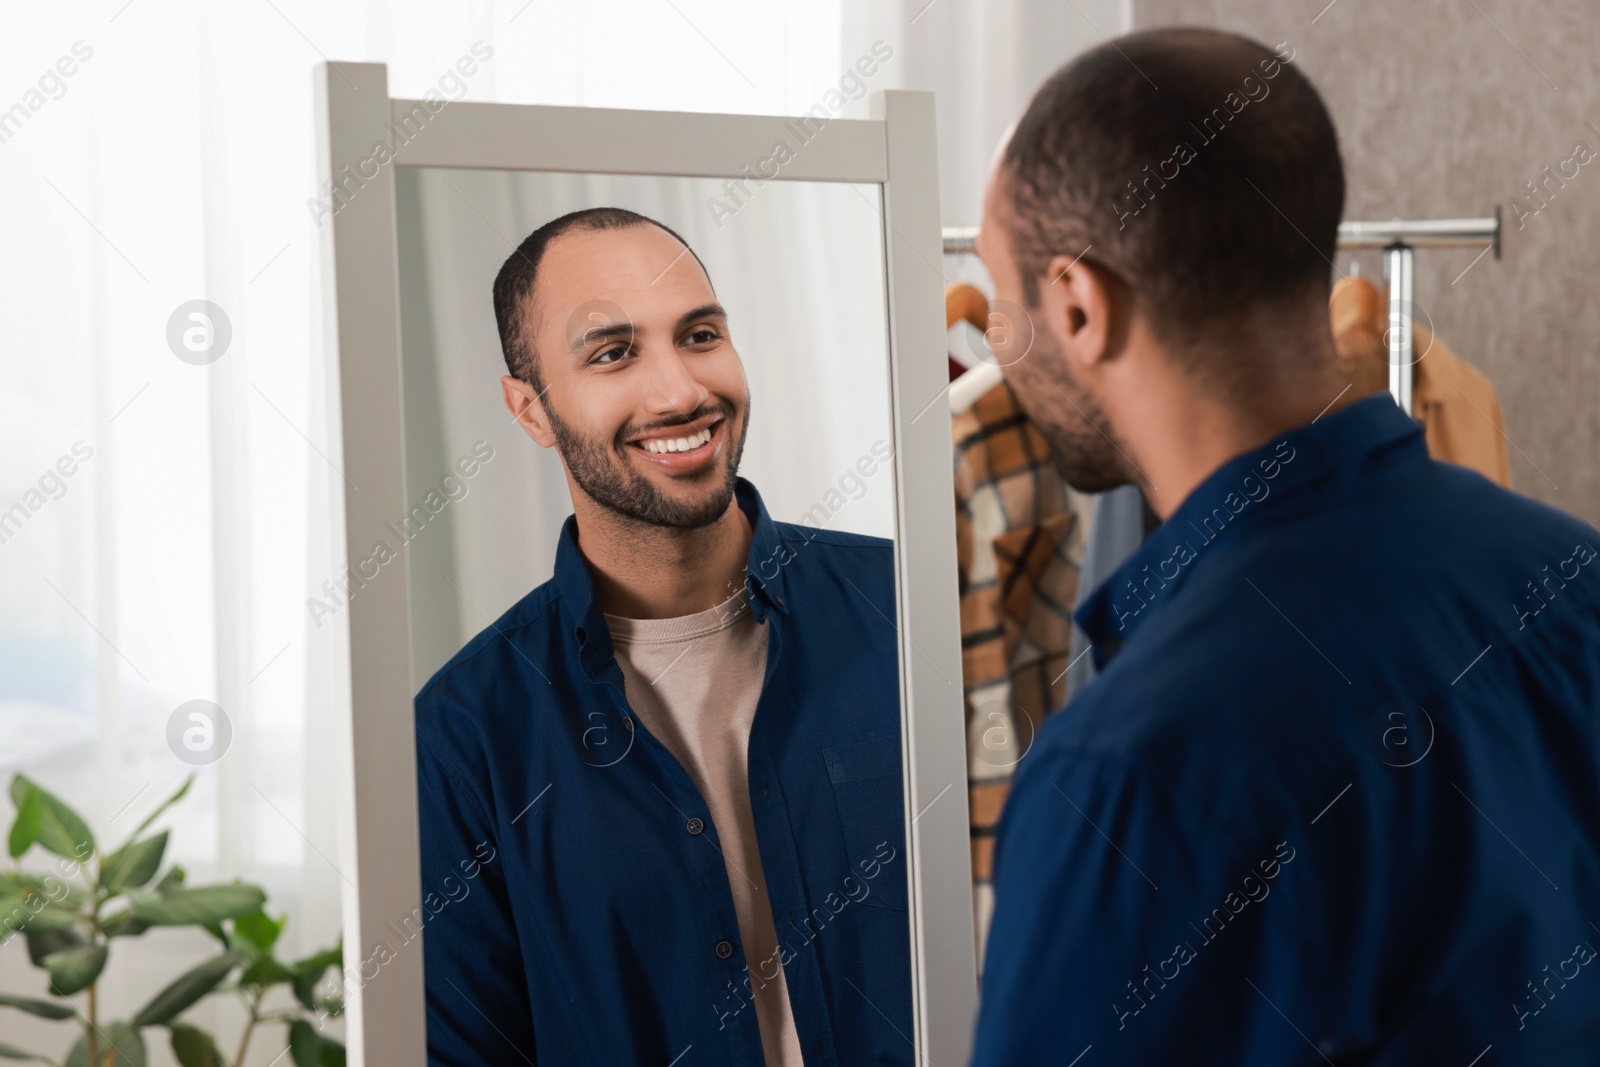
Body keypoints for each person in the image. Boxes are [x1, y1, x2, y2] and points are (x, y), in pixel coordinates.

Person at [968, 27, 1600, 1066]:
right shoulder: (1573, 580)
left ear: (1079, 306)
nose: (997, 338)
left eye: (1003, 298)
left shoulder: (1130, 771)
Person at [413, 207, 910, 1066]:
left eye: (701, 334)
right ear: (529, 408)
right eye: (613, 352)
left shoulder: (910, 608)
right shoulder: (465, 732)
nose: (681, 391)